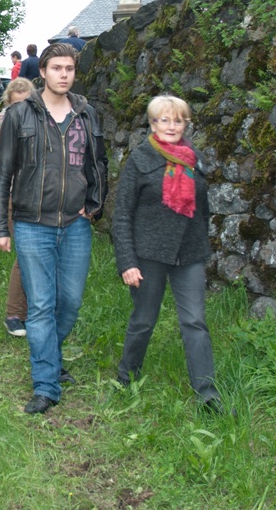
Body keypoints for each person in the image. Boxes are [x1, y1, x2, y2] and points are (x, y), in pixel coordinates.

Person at [0, 43, 108, 414]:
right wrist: (0, 226)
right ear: (42, 71)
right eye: (56, 68)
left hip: (76, 223)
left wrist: (95, 204)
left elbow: (99, 163)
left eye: (69, 68)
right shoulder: (19, 114)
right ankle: (45, 385)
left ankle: (50, 358)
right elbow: (1, 173)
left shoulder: (86, 114)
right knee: (41, 306)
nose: (63, 74)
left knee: (69, 303)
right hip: (31, 224)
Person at [112, 95, 223, 411]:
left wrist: (200, 244)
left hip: (189, 254)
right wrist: (127, 262)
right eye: (164, 120)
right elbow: (122, 215)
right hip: (148, 254)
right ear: (152, 124)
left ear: (186, 124)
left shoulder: (194, 159)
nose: (171, 126)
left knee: (195, 321)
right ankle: (126, 379)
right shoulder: (139, 160)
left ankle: (207, 395)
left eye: (178, 120)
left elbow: (203, 210)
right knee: (144, 320)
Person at [0, 77, 34, 338]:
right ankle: (14, 314)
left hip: (39, 199)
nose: (21, 110)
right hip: (13, 199)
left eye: (26, 104)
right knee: (25, 256)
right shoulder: (1, 124)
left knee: (38, 256)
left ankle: (34, 310)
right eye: (16, 105)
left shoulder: (42, 122)